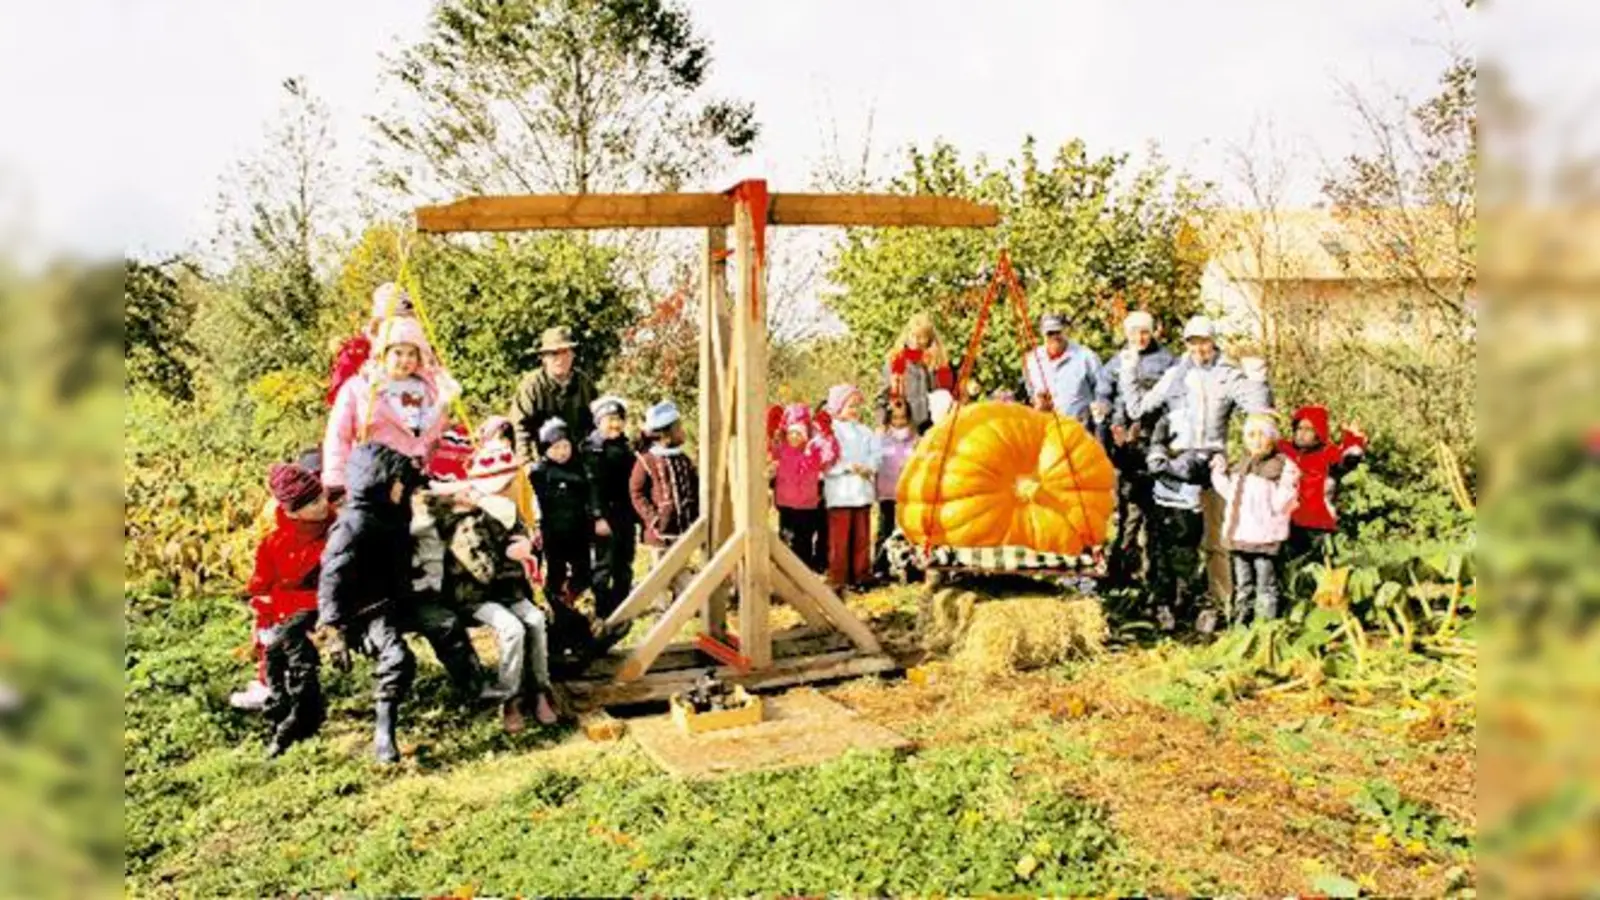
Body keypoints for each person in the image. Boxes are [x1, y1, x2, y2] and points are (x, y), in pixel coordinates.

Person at [1136, 315, 1273, 610]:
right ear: (1186, 344)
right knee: (1179, 537)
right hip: (1179, 463)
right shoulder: (1176, 374)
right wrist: (1128, 372)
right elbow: (1142, 407)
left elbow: (1259, 408)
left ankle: (1220, 602)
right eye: (1193, 343)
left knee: (1216, 538)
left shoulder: (1227, 374)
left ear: (1213, 342)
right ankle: (1177, 598)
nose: (1198, 349)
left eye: (1204, 342)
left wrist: (1258, 379)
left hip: (1213, 462)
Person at [436, 439, 560, 731]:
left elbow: (523, 545)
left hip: (509, 589)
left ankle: (540, 689)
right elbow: (478, 568)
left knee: (535, 620)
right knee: (512, 628)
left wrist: (526, 548)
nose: (505, 489)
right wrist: (508, 554)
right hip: (474, 594)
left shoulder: (509, 510)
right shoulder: (463, 517)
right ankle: (510, 696)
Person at [316, 443, 428, 764]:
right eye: (397, 482)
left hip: (396, 599)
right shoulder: (353, 525)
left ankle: (474, 687)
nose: (402, 487)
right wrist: (333, 626)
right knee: (397, 658)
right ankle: (384, 730)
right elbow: (332, 575)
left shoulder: (393, 512)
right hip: (364, 612)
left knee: (445, 625)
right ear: (379, 483)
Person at [245, 462, 332, 757]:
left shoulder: (338, 531)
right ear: (293, 511)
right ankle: (281, 713)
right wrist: (263, 613)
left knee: (294, 647)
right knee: (274, 653)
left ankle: (300, 721)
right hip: (282, 611)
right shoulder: (274, 542)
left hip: (323, 605)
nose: (323, 505)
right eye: (313, 503)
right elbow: (261, 585)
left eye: (322, 497)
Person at [323, 316, 460, 495]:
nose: (405, 360)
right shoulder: (359, 388)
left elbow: (435, 432)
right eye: (398, 353)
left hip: (420, 478)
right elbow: (338, 435)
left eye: (411, 354)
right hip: (375, 476)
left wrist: (443, 399)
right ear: (384, 353)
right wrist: (336, 479)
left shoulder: (428, 388)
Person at [1095, 310, 1179, 587]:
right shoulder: (1119, 360)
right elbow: (1104, 390)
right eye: (1134, 333)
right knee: (1128, 512)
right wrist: (1105, 409)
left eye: (1145, 332)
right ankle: (1120, 576)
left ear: (1153, 332)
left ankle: (1156, 579)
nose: (1140, 338)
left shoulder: (1167, 360)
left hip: (1155, 438)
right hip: (1125, 442)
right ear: (1127, 334)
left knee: (1155, 517)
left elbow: (1175, 398)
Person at [1210, 413, 1301, 627]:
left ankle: (1265, 626)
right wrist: (1218, 473)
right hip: (1240, 536)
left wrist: (1288, 482)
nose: (1257, 440)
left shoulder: (1280, 467)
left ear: (1273, 438)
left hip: (1265, 537)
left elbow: (1283, 501)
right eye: (1251, 435)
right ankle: (1241, 624)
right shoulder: (1240, 466)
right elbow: (1229, 493)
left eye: (1262, 435)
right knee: (1243, 584)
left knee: (1266, 585)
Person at [529, 418, 597, 669]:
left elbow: (589, 498)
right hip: (552, 535)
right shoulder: (539, 473)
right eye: (555, 448)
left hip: (578, 532)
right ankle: (558, 623)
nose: (562, 452)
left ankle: (577, 612)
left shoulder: (580, 469)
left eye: (565, 446)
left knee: (583, 573)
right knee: (554, 577)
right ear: (545, 449)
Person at [1144, 406, 1210, 632]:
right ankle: (1164, 604)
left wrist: (1164, 462)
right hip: (1162, 504)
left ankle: (1189, 605)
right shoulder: (1166, 419)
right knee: (1160, 555)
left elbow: (1188, 468)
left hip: (1187, 508)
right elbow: (1154, 461)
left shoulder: (1200, 429)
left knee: (1185, 558)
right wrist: (1160, 457)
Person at [1277, 405, 1368, 562]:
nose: (1301, 433)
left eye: (1308, 429)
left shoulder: (1328, 454)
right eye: (1299, 428)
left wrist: (1354, 438)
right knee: (1287, 564)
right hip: (1287, 520)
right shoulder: (1285, 450)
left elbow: (1349, 458)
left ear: (1319, 433)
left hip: (1317, 522)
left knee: (1315, 565)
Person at [630, 401, 700, 602]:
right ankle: (661, 607)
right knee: (660, 571)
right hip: (660, 529)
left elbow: (694, 487)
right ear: (666, 434)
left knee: (679, 564)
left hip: (682, 525)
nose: (682, 432)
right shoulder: (647, 461)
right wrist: (653, 518)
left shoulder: (683, 459)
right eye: (678, 428)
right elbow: (637, 492)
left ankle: (684, 601)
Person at [583, 396, 638, 623]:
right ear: (599, 422)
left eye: (618, 419)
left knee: (624, 564)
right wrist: (597, 517)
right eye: (609, 420)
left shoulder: (626, 447)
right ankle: (602, 612)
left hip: (625, 515)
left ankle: (622, 610)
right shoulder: (591, 450)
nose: (615, 425)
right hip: (603, 516)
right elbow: (591, 487)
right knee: (603, 565)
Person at [511, 326, 599, 462]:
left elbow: (596, 423)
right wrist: (526, 462)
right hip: (544, 459)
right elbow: (520, 428)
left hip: (580, 456)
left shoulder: (584, 383)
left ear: (573, 355)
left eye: (565, 352)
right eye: (553, 354)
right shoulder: (531, 386)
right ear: (544, 358)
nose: (560, 359)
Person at [769, 402, 839, 571]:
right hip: (786, 504)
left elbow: (829, 457)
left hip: (807, 505)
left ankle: (803, 571)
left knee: (804, 539)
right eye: (791, 432)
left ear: (806, 434)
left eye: (799, 433)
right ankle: (786, 570)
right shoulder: (782, 449)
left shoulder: (812, 451)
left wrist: (826, 435)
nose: (794, 436)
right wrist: (773, 430)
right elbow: (768, 448)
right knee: (787, 538)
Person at [822, 384, 878, 591]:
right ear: (838, 406)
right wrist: (847, 467)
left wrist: (869, 467)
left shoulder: (865, 431)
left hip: (861, 490)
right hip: (840, 493)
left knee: (862, 537)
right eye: (850, 406)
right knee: (840, 539)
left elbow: (875, 454)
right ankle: (838, 576)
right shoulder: (830, 432)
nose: (855, 410)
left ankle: (861, 574)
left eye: (857, 406)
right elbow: (826, 460)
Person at [326, 282, 416, 408]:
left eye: (407, 323)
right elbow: (339, 398)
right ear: (379, 321)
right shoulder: (357, 351)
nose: (402, 329)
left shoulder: (416, 349)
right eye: (396, 321)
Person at [1019, 313, 1103, 428]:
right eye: (1050, 333)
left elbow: (1102, 391)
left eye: (1057, 332)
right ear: (1043, 335)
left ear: (1065, 331)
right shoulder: (1032, 360)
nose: (1054, 337)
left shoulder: (1086, 357)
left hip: (1081, 428)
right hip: (1048, 428)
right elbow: (1031, 392)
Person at [876, 313, 955, 434]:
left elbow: (947, 395)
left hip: (931, 427)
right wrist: (881, 423)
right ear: (907, 334)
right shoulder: (896, 361)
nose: (916, 341)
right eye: (913, 335)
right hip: (903, 424)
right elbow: (883, 397)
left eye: (922, 337)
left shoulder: (938, 362)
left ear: (929, 339)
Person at [872, 399, 917, 578]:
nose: (899, 422)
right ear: (889, 419)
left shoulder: (916, 439)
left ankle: (910, 566)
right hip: (887, 492)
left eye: (903, 418)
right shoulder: (881, 438)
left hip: (908, 493)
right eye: (895, 418)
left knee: (909, 530)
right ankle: (880, 566)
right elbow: (874, 463)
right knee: (885, 529)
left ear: (909, 418)